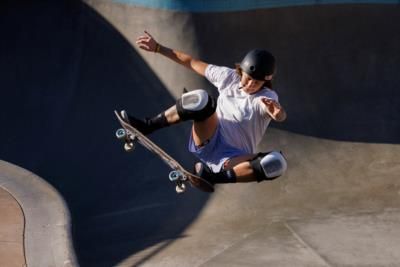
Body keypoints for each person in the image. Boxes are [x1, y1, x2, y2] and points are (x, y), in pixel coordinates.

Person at [120, 30, 287, 185]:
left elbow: (279, 116)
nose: (250, 84)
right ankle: (146, 126)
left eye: (257, 82)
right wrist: (157, 47)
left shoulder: (267, 98)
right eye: (248, 78)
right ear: (241, 71)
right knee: (201, 98)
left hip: (234, 159)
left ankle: (210, 178)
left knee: (276, 162)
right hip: (209, 139)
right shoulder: (228, 77)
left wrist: (278, 114)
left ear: (265, 82)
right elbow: (191, 62)